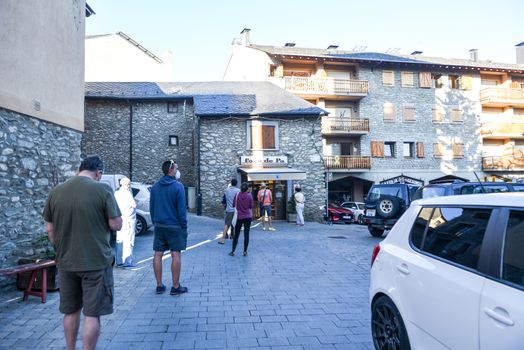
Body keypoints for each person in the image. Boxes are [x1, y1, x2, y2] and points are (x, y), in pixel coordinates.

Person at [43, 156, 122, 350]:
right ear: (98, 172)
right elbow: (116, 224)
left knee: (70, 312)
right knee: (92, 315)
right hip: (95, 262)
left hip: (66, 262)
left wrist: (61, 248)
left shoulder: (57, 191)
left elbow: (49, 230)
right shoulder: (102, 189)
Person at [150, 160, 188, 296]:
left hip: (159, 225)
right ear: (171, 170)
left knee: (158, 254)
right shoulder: (178, 187)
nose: (178, 170)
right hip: (174, 226)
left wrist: (155, 221)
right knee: (175, 254)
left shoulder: (154, 187)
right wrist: (184, 226)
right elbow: (181, 210)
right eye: (176, 168)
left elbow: (152, 207)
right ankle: (175, 286)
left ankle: (159, 286)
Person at [114, 177, 137, 267]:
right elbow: (133, 205)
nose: (129, 186)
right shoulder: (127, 193)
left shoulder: (116, 193)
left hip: (119, 219)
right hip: (128, 219)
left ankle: (119, 261)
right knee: (128, 241)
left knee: (119, 240)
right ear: (125, 184)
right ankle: (127, 262)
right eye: (128, 184)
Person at [229, 182, 253, 256]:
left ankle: (233, 251)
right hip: (247, 217)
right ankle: (245, 251)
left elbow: (233, 205)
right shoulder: (250, 196)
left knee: (236, 234)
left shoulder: (237, 195)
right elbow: (250, 206)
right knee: (246, 234)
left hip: (239, 217)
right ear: (247, 189)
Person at [219, 179, 240, 244]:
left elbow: (224, 200)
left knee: (226, 224)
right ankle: (233, 237)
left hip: (229, 210)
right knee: (235, 224)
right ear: (236, 184)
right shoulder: (238, 191)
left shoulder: (226, 190)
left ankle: (222, 239)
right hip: (236, 210)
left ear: (231, 183)